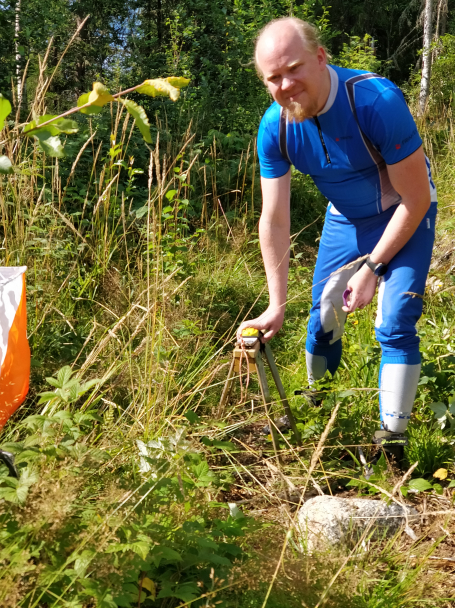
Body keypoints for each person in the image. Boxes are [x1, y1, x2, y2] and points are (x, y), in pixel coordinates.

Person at [238, 17, 437, 455]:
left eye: (294, 69)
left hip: (403, 210)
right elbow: (274, 219)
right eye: (274, 78)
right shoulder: (277, 127)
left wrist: (373, 267)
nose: (286, 85)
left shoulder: (375, 101)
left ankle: (392, 443)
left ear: (321, 57)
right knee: (323, 316)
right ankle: (317, 412)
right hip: (346, 218)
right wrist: (275, 305)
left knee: (393, 320)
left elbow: (417, 198)